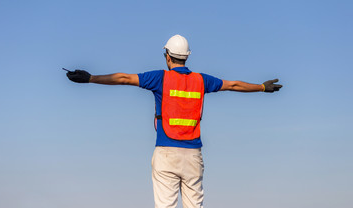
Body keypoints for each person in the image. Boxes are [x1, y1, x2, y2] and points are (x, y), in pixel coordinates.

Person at [65, 34, 282, 208]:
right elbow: (233, 85)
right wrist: (262, 87)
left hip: (166, 154)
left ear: (167, 56)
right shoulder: (201, 80)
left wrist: (91, 78)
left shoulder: (160, 77)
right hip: (193, 156)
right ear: (186, 57)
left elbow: (123, 78)